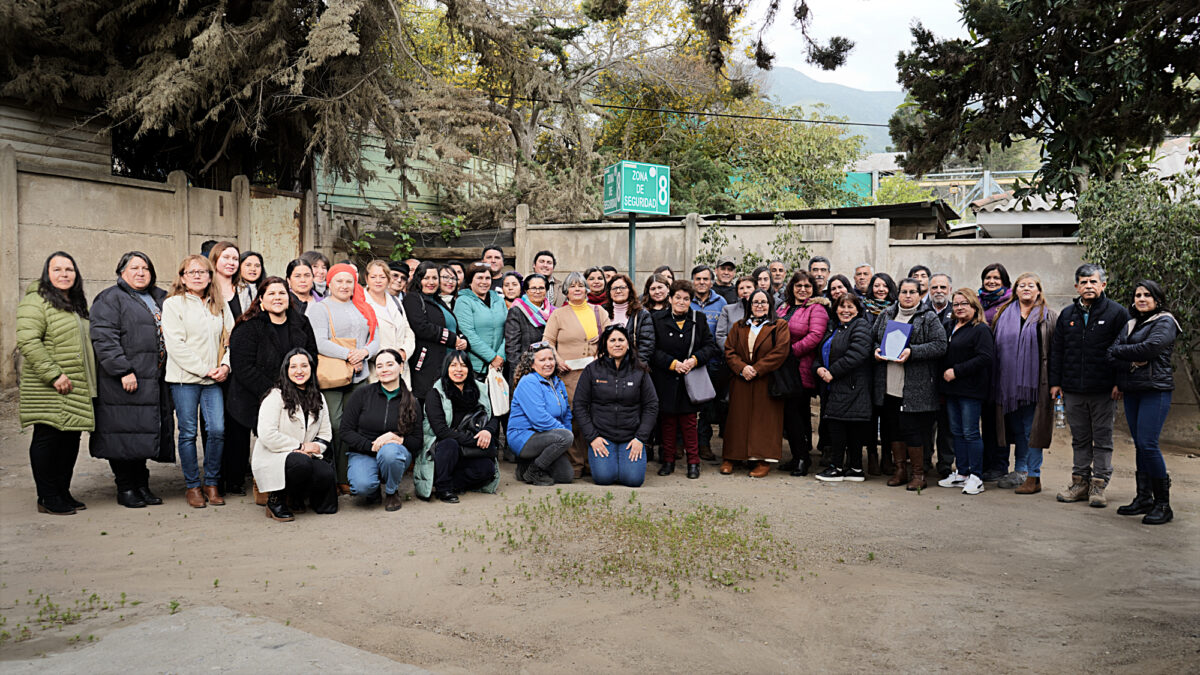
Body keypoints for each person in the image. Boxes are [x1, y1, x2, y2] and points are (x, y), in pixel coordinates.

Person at [89, 252, 173, 508]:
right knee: (123, 434)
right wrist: (122, 370)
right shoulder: (110, 299)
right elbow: (104, 337)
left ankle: (141, 485)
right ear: (121, 272)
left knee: (142, 432)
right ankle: (126, 487)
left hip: (154, 378)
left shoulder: (161, 297)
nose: (140, 272)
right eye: (134, 268)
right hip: (125, 379)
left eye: (145, 267)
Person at [17, 251, 95, 515]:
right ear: (46, 273)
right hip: (50, 385)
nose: (64, 274)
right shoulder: (36, 301)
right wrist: (53, 374)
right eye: (57, 269)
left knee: (70, 439)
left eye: (69, 270)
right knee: (47, 438)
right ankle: (47, 496)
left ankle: (63, 491)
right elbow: (28, 341)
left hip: (74, 385)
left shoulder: (74, 302)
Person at [226, 276, 318, 496]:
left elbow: (311, 356)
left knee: (285, 439)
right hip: (252, 393)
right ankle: (240, 482)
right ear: (261, 300)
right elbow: (243, 367)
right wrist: (275, 393)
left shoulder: (301, 323)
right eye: (272, 294)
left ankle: (284, 483)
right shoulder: (248, 327)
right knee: (254, 441)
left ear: (289, 298)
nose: (277, 298)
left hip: (295, 391)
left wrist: (296, 388)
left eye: (282, 293)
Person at [1050, 264, 1129, 508]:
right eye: (1083, 282)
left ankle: (1099, 484)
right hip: (1073, 389)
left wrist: (1120, 382)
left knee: (1103, 439)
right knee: (1080, 439)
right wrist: (1055, 383)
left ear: (1103, 285)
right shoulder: (1067, 315)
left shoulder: (1117, 313)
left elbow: (1125, 349)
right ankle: (1079, 483)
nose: (1088, 286)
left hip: (1105, 390)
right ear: (1076, 286)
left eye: (1093, 282)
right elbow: (1057, 351)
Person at [163, 254, 235, 508]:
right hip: (185, 380)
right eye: (191, 272)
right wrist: (206, 369)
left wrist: (226, 365)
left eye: (202, 271)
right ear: (182, 277)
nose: (197, 276)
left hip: (214, 380)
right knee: (188, 432)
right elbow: (175, 345)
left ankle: (211, 483)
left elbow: (231, 339)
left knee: (216, 430)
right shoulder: (173, 305)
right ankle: (193, 486)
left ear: (209, 276)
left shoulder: (220, 304)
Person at [306, 262, 381, 488]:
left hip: (359, 375)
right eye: (339, 281)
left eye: (349, 281)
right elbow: (319, 341)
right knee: (336, 425)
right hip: (334, 376)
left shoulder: (363, 306)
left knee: (356, 424)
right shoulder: (320, 308)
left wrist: (365, 353)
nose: (344, 285)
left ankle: (348, 476)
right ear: (329, 283)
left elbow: (374, 336)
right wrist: (350, 355)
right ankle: (332, 477)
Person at [1109, 280, 1178, 525]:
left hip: (1155, 390)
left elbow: (1150, 348)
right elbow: (1111, 353)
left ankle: (1163, 504)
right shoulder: (1130, 323)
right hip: (1133, 390)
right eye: (1138, 294)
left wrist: (1125, 351)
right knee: (1139, 444)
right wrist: (1131, 360)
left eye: (1147, 295)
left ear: (1157, 299)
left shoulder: (1166, 321)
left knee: (1148, 444)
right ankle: (1143, 498)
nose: (1141, 298)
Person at [871, 278, 947, 491]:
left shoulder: (928, 317)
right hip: (889, 383)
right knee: (893, 428)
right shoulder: (887, 313)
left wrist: (913, 352)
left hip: (914, 385)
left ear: (920, 295)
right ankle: (899, 470)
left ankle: (918, 474)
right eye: (903, 291)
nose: (907, 295)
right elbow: (874, 338)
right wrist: (876, 350)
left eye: (912, 292)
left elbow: (940, 345)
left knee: (912, 430)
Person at [252, 349, 338, 521]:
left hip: (306, 454)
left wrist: (315, 447)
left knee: (326, 477)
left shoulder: (318, 397)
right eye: (294, 367)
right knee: (301, 463)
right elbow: (267, 434)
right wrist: (298, 447)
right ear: (286, 370)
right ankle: (276, 499)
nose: (299, 371)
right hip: (276, 455)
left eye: (304, 366)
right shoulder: (275, 396)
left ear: (311, 369)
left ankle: (299, 496)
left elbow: (325, 432)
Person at [990, 273, 1057, 494]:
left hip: (1036, 385)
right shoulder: (1003, 314)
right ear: (1015, 290)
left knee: (1032, 430)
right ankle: (1019, 470)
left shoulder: (1048, 316)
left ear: (1039, 290)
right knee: (1017, 429)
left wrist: (1057, 383)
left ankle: (1033, 476)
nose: (1026, 288)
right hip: (1007, 384)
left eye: (1031, 285)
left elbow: (1056, 352)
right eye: (1021, 285)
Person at [649, 280, 719, 479]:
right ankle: (668, 461)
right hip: (666, 378)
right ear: (670, 299)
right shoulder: (657, 319)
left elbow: (709, 346)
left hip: (691, 377)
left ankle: (693, 463)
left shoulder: (699, 319)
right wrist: (672, 364)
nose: (681, 302)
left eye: (686, 299)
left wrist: (694, 360)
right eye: (677, 297)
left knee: (689, 424)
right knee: (668, 422)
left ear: (691, 301)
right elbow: (653, 350)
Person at [543, 272, 610, 477]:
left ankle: (593, 462)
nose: (577, 289)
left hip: (595, 374)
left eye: (581, 285)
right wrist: (557, 360)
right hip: (568, 374)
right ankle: (575, 463)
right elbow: (547, 341)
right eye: (572, 286)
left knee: (593, 417)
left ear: (587, 289)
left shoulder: (599, 312)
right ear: (566, 291)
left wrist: (602, 356)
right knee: (571, 417)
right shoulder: (558, 315)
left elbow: (611, 339)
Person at [573, 325, 659, 487]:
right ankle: (613, 463)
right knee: (603, 479)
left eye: (621, 340)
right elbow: (579, 405)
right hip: (602, 437)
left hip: (631, 437)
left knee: (634, 480)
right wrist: (593, 437)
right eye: (612, 340)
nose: (617, 344)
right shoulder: (592, 370)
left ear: (628, 344)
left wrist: (640, 438)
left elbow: (651, 405)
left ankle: (623, 463)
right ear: (605, 344)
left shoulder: (640, 370)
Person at [339, 349, 422, 510]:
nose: (384, 369)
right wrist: (371, 445)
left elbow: (418, 441)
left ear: (401, 366)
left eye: (390, 364)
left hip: (394, 454)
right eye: (379, 366)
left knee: (390, 451)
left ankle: (391, 492)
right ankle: (372, 489)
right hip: (363, 451)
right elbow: (346, 431)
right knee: (362, 486)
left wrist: (399, 439)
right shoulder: (362, 394)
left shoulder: (412, 401)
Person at [722, 290, 791, 477]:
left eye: (763, 302)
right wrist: (742, 368)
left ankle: (762, 459)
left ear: (770, 305)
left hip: (766, 379)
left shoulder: (779, 325)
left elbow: (780, 351)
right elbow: (729, 350)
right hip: (741, 378)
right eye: (755, 302)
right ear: (749, 305)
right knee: (738, 419)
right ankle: (732, 457)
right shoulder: (739, 326)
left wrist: (758, 368)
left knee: (765, 421)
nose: (759, 305)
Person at [418, 350, 501, 502]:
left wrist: (488, 431)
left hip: (469, 449)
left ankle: (454, 483)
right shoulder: (435, 393)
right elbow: (441, 430)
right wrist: (476, 441)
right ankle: (443, 489)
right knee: (450, 444)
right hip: (442, 449)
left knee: (487, 469)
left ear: (469, 369)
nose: (458, 370)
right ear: (446, 368)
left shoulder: (481, 389)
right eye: (453, 365)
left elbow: (495, 415)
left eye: (463, 365)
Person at [936, 290, 995, 495]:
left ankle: (976, 476)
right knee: (957, 432)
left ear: (974, 306)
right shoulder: (950, 326)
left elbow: (985, 357)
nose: (959, 307)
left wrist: (957, 371)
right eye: (956, 304)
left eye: (964, 304)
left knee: (970, 433)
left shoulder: (980, 330)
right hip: (951, 390)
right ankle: (961, 473)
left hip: (971, 390)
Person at [813, 293, 873, 482]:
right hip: (836, 385)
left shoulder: (861, 326)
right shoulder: (835, 327)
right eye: (841, 306)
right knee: (841, 426)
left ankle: (840, 468)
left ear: (857, 309)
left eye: (850, 307)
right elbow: (822, 351)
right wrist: (818, 368)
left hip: (852, 385)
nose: (845, 311)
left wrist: (832, 372)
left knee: (844, 427)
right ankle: (853, 469)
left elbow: (858, 353)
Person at [777, 271, 829, 476]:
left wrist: (789, 352)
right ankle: (797, 455)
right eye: (798, 285)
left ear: (813, 289)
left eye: (807, 286)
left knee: (796, 415)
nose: (802, 289)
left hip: (800, 368)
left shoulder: (816, 308)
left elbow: (816, 336)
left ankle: (802, 458)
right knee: (790, 417)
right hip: (782, 368)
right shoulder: (784, 307)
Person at [508, 343, 576, 486]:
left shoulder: (557, 382)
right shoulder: (528, 382)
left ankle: (525, 467)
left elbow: (566, 415)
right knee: (565, 437)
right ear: (532, 364)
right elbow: (539, 419)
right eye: (542, 360)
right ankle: (534, 470)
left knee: (566, 476)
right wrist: (564, 435)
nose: (548, 363)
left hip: (548, 436)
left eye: (551, 359)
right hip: (524, 437)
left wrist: (565, 434)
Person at [403, 261, 469, 398]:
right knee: (429, 402)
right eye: (426, 278)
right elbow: (421, 327)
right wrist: (452, 339)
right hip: (427, 363)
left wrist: (463, 340)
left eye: (434, 278)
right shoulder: (413, 298)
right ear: (418, 279)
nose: (431, 282)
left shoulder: (439, 301)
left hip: (448, 362)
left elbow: (453, 326)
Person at [690, 264, 728, 461]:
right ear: (693, 281)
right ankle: (683, 444)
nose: (702, 282)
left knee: (708, 406)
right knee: (687, 405)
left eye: (705, 279)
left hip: (713, 361)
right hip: (689, 362)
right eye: (698, 279)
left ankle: (704, 444)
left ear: (711, 282)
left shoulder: (721, 302)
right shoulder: (687, 300)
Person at [863, 271, 898, 474]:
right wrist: (873, 349)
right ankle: (872, 456)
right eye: (876, 286)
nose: (880, 289)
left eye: (884, 286)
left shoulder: (895, 310)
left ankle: (887, 456)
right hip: (869, 369)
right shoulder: (864, 309)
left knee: (888, 417)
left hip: (891, 370)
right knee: (870, 416)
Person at [364, 260, 415, 387]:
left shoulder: (395, 302)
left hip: (401, 368)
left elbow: (408, 330)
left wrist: (404, 351)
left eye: (382, 277)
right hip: (377, 370)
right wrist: (387, 357)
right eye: (373, 277)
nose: (378, 281)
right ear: (366, 278)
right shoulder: (361, 303)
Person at [927, 272, 956, 478]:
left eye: (943, 288)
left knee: (947, 426)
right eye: (935, 287)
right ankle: (924, 461)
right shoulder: (921, 310)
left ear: (950, 290)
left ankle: (945, 464)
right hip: (924, 377)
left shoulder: (958, 311)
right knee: (926, 425)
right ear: (929, 290)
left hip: (948, 378)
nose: (938, 291)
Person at [456, 262, 507, 377]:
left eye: (487, 278)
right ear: (470, 281)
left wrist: (500, 356)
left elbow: (508, 330)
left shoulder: (499, 300)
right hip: (475, 368)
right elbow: (468, 333)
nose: (484, 282)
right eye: (480, 278)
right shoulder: (463, 301)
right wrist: (492, 357)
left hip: (499, 365)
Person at [604, 273, 656, 364]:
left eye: (622, 287)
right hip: (606, 366)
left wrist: (636, 367)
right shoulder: (602, 312)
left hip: (633, 366)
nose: (618, 291)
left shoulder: (641, 314)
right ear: (609, 292)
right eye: (614, 288)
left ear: (629, 290)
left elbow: (646, 345)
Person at [505, 274, 554, 367]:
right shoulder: (517, 311)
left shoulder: (553, 311)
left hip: (549, 366)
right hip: (526, 368)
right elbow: (512, 348)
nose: (537, 291)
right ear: (526, 291)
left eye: (541, 288)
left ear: (546, 290)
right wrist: (522, 370)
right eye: (533, 288)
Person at [209, 241, 252, 319]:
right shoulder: (205, 289)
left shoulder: (244, 290)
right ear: (215, 259)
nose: (231, 263)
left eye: (235, 259)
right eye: (226, 257)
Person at [715, 276, 757, 350]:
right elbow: (720, 335)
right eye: (741, 288)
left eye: (748, 287)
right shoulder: (728, 310)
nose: (745, 291)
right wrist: (732, 353)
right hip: (733, 355)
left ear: (755, 289)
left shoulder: (763, 309)